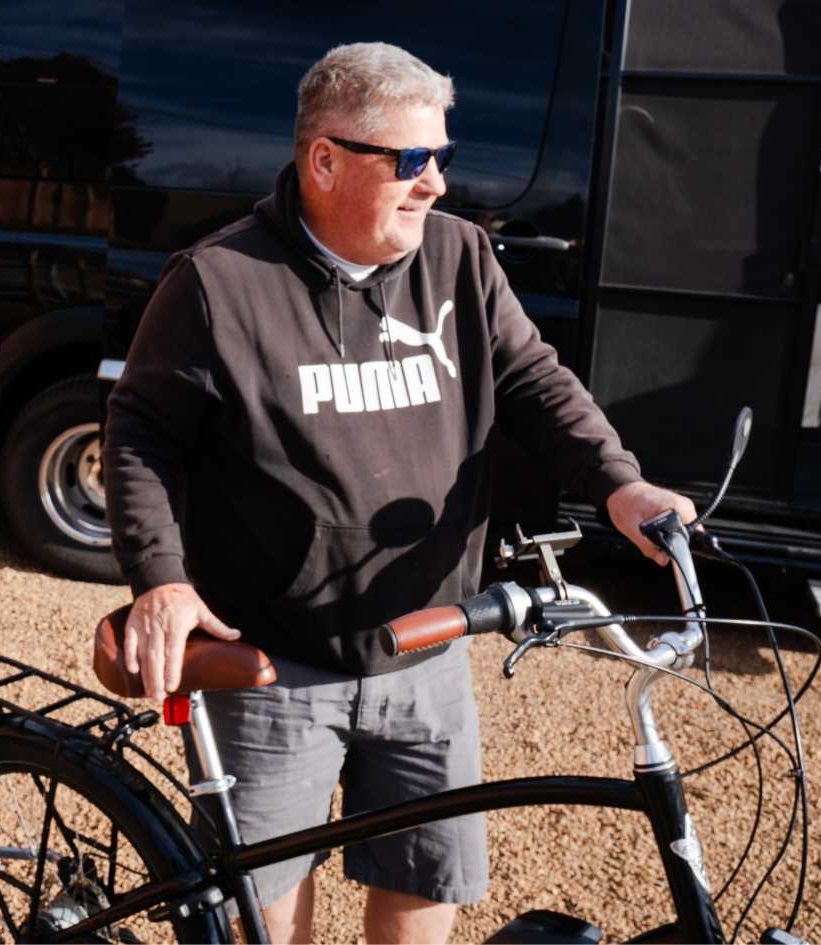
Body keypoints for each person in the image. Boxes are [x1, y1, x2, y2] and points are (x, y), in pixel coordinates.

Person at [103, 42, 697, 945]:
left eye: (442, 159)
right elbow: (138, 430)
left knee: (427, 892)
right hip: (278, 663)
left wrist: (618, 484)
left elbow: (534, 379)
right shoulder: (220, 282)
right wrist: (160, 576)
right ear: (326, 160)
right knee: (264, 920)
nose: (436, 186)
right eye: (411, 161)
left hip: (429, 645)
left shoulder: (458, 258)